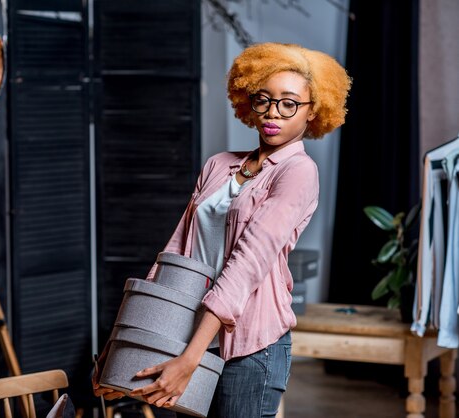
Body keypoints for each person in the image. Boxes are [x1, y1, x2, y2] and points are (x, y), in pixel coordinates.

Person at [93, 42, 351, 418]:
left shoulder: (298, 172)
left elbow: (247, 264)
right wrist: (119, 347)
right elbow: (176, 255)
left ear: (313, 112)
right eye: (263, 99)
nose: (272, 113)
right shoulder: (218, 165)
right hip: (189, 337)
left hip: (250, 349)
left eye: (289, 103)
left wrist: (190, 359)